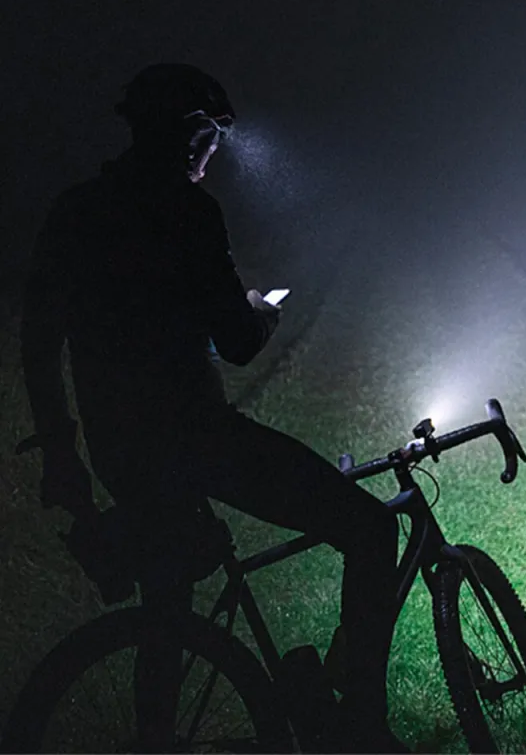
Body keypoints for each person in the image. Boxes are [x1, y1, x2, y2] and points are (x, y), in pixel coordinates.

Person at [20, 63, 407, 753]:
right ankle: (362, 729)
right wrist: (260, 312)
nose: (215, 154)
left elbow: (41, 342)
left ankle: (154, 738)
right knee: (370, 529)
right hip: (199, 438)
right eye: (213, 139)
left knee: (166, 606)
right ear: (191, 134)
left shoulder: (75, 211)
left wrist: (59, 449)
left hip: (120, 449)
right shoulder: (188, 212)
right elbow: (238, 343)